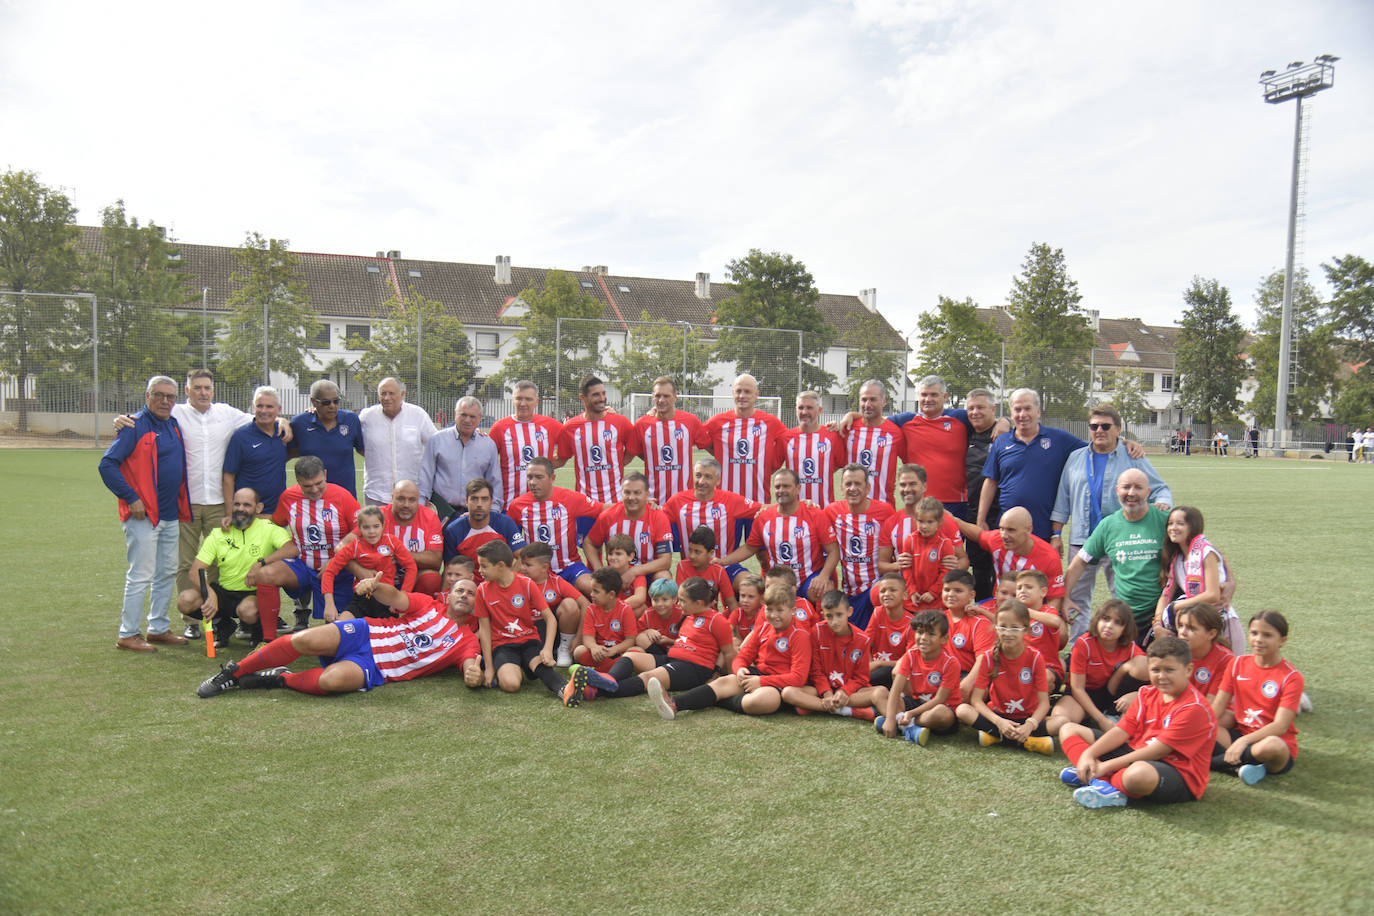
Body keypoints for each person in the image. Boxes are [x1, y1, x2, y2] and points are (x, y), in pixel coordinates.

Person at [112, 369, 290, 639]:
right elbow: (146, 415)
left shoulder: (227, 413)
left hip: (219, 503)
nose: (203, 393)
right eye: (197, 388)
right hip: (185, 503)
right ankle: (191, 621)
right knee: (185, 563)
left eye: (207, 388)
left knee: (220, 561)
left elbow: (263, 416)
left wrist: (284, 420)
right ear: (187, 391)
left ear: (213, 390)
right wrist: (121, 420)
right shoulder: (175, 413)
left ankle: (219, 618)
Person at [195, 576, 484, 697]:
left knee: (330, 681)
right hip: (364, 633)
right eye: (459, 590)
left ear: (476, 603)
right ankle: (232, 674)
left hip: (376, 667)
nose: (464, 595)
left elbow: (470, 665)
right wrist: (375, 585)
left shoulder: (467, 639)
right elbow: (395, 597)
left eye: (471, 593)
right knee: (303, 640)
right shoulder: (428, 604)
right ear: (448, 595)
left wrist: (473, 675)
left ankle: (280, 678)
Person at [1051, 403, 1171, 641]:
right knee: (1077, 597)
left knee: (1124, 597)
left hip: (1120, 540)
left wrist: (1163, 504)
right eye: (1094, 426)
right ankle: (1080, 648)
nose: (1099, 430)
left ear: (1118, 429)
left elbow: (1160, 488)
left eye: (1105, 426)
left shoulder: (1132, 455)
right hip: (1082, 538)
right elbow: (1062, 498)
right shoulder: (1075, 458)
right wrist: (1056, 534)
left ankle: (1128, 643)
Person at [1059, 635, 1216, 809]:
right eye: (1155, 670)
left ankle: (1097, 777)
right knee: (1068, 729)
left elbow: (1158, 751)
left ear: (1188, 670)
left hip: (1176, 770)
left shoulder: (1194, 707)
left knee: (1137, 775)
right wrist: (1089, 754)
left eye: (1169, 670)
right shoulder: (1146, 693)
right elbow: (1121, 731)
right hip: (1136, 753)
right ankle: (1099, 781)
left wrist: (1106, 766)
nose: (1162, 676)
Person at [99, 375, 192, 652]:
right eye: (159, 395)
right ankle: (128, 634)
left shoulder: (173, 424)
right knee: (140, 575)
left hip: (170, 514)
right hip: (144, 516)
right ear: (147, 396)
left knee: (166, 573)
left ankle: (158, 628)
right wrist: (131, 498)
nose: (165, 401)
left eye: (170, 396)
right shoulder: (134, 426)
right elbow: (107, 465)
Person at [979, 388, 1140, 542]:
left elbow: (1095, 447)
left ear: (1038, 411)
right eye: (1017, 409)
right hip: (1007, 529)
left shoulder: (1059, 439)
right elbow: (991, 482)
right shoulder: (1001, 442)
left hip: (1043, 529)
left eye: (1027, 408)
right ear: (1011, 413)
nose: (1022, 414)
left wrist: (1123, 442)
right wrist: (981, 519)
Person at [648, 583, 813, 720]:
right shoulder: (764, 628)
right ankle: (674, 703)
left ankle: (715, 699)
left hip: (780, 684)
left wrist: (761, 682)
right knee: (725, 682)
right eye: (769, 609)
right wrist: (740, 669)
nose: (773, 615)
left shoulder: (800, 636)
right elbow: (742, 656)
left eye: (779, 610)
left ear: (792, 610)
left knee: (759, 700)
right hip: (757, 675)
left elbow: (798, 678)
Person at [566, 576, 735, 703]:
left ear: (698, 603)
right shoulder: (690, 616)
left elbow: (728, 651)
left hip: (693, 669)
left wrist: (726, 676)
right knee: (631, 656)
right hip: (673, 659)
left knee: (648, 678)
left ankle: (597, 691)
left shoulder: (717, 620)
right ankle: (608, 680)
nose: (679, 604)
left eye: (683, 601)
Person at [251, 455, 362, 632]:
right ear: (297, 481)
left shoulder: (342, 496)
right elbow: (276, 521)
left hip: (338, 569)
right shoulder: (289, 497)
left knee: (336, 631)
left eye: (319, 483)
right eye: (308, 486)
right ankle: (267, 638)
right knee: (266, 574)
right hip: (302, 566)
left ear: (325, 474)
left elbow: (361, 529)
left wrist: (337, 557)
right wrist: (247, 519)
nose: (315, 490)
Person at [177, 487, 296, 648]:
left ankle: (258, 631)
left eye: (247, 505)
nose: (241, 509)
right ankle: (223, 624)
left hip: (252, 593)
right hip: (223, 591)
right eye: (237, 504)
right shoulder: (219, 532)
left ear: (258, 508)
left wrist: (262, 562)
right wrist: (210, 593)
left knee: (248, 611)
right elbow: (194, 571)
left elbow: (292, 549)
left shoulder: (268, 528)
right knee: (185, 600)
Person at [1061, 469, 1169, 639]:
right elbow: (1080, 561)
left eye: (1138, 487)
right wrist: (1065, 597)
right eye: (1126, 487)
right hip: (1126, 616)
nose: (1131, 493)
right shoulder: (1108, 525)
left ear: (1148, 492)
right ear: (1117, 490)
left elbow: (1196, 548)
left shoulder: (1166, 520)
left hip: (1162, 613)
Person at [719, 468, 840, 604]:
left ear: (798, 488)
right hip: (777, 580)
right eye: (777, 487)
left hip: (808, 577)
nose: (781, 490)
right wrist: (723, 561)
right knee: (750, 590)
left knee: (823, 590)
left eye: (786, 486)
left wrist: (823, 576)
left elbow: (833, 551)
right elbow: (749, 548)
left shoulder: (815, 514)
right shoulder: (764, 517)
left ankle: (815, 618)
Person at [1211, 610, 1303, 786]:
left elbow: (1281, 726)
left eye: (1267, 635)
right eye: (1254, 633)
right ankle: (1244, 766)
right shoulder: (1237, 664)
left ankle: (1215, 764)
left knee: (1273, 746)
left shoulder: (1291, 677)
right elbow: (1218, 706)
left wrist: (1243, 741)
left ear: (1282, 641)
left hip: (1270, 743)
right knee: (1208, 724)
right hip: (1241, 733)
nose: (1258, 639)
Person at [955, 599, 1053, 755]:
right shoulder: (989, 657)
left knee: (1062, 722)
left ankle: (997, 737)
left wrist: (1030, 725)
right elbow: (976, 700)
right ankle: (1029, 742)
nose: (1008, 633)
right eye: (1003, 627)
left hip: (1027, 717)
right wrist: (999, 721)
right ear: (995, 628)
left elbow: (1044, 704)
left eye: (1014, 628)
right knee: (962, 710)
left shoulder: (1035, 658)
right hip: (998, 716)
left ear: (1025, 630)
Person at [473, 540, 567, 697]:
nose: (480, 571)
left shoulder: (526, 584)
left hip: (528, 640)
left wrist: (547, 649)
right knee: (511, 684)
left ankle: (565, 689)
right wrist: (489, 668)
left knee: (541, 667)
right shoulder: (482, 590)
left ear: (500, 565)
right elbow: (484, 630)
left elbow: (550, 618)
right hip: (503, 645)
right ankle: (513, 668)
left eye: (484, 566)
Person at [780, 591, 886, 720]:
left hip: (850, 693)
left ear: (849, 612)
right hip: (821, 690)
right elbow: (816, 671)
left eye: (839, 615)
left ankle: (816, 707)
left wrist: (844, 691)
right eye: (829, 616)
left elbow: (861, 677)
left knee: (880, 692)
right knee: (788, 692)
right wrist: (827, 693)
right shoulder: (817, 632)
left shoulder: (862, 639)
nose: (835, 621)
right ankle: (849, 711)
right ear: (823, 615)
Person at [504, 457, 603, 595]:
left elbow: (603, 509)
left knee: (596, 590)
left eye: (539, 477)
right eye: (530, 477)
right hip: (535, 570)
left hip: (570, 567)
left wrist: (633, 504)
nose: (533, 482)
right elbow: (507, 537)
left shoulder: (570, 498)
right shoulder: (517, 505)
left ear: (552, 478)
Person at [1045, 599, 1140, 738]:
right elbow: (1077, 688)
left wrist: (1137, 694)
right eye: (1106, 619)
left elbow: (1151, 671)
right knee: (1061, 721)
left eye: (1118, 622)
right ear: (1097, 620)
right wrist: (1101, 720)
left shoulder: (1130, 647)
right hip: (1083, 694)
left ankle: (1112, 714)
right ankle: (1033, 723)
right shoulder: (1084, 643)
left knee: (1142, 663)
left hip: (1111, 695)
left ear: (1125, 628)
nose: (1109, 626)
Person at [1153, 506, 1242, 649]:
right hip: (1194, 628)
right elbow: (1165, 595)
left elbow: (1213, 595)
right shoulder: (1177, 559)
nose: (1173, 528)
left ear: (1193, 526)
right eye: (1170, 523)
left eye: (1180, 524)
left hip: (1221, 622)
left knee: (1230, 663)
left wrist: (1176, 607)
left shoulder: (1206, 552)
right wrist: (1157, 625)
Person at [662, 457, 762, 579]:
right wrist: (647, 503)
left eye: (708, 477)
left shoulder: (730, 500)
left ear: (718, 480)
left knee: (751, 584)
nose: (701, 481)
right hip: (692, 569)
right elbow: (656, 517)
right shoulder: (677, 501)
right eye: (698, 476)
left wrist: (768, 510)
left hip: (726, 567)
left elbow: (763, 509)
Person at [954, 506, 1065, 614]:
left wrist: (1040, 622)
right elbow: (979, 534)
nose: (1004, 535)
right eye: (1002, 528)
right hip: (999, 606)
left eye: (1011, 530)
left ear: (1028, 529)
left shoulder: (1049, 557)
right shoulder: (997, 540)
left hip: (1031, 614)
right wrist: (953, 519)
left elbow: (1054, 600)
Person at [824, 463, 896, 628]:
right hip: (849, 592)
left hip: (876, 586)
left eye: (858, 484)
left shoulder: (885, 511)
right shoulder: (832, 512)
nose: (853, 488)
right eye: (848, 484)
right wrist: (807, 503)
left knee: (881, 598)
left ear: (868, 488)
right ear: (841, 488)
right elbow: (813, 521)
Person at [876, 609, 962, 745]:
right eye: (920, 632)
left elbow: (939, 699)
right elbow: (896, 689)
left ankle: (905, 723)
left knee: (942, 714)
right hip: (916, 702)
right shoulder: (911, 655)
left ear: (944, 639)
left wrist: (910, 714)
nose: (923, 638)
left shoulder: (951, 663)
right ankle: (907, 726)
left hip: (939, 708)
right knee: (881, 695)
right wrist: (890, 719)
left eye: (931, 634)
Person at [321, 505, 417, 622]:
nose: (372, 531)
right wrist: (329, 604)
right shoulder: (354, 546)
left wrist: (403, 595)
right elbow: (329, 572)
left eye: (376, 526)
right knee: (340, 627)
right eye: (366, 527)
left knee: (382, 633)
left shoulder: (392, 542)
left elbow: (411, 566)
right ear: (359, 528)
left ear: (383, 526)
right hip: (361, 599)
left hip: (386, 601)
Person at [703, 373, 786, 504]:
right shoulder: (717, 422)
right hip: (725, 502)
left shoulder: (771, 423)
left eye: (747, 392)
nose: (742, 396)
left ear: (756, 394)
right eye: (738, 391)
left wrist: (769, 467)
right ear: (733, 393)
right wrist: (718, 451)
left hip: (759, 501)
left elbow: (790, 440)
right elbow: (699, 438)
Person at [877, 463, 966, 584]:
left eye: (912, 484)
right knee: (877, 589)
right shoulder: (891, 523)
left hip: (938, 590)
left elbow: (963, 560)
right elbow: (882, 565)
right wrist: (897, 565)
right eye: (903, 485)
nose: (907, 489)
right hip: (906, 589)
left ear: (924, 486)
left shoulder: (944, 520)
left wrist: (956, 566)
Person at [419, 396, 502, 522]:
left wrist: (493, 512)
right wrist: (421, 508)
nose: (467, 420)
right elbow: (425, 477)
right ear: (455, 414)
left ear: (480, 418)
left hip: (475, 513)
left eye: (472, 416)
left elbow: (494, 481)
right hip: (442, 512)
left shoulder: (488, 445)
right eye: (463, 415)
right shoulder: (437, 440)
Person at [556, 375, 637, 504]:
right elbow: (561, 459)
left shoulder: (620, 422)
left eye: (603, 393)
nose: (602, 398)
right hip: (584, 504)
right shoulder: (570, 428)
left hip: (616, 503)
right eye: (596, 395)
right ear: (583, 397)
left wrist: (618, 463)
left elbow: (634, 447)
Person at [358, 377, 437, 505]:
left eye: (391, 393)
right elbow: (356, 441)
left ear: (402, 394)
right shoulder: (367, 417)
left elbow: (435, 444)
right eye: (383, 394)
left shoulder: (418, 415)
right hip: (376, 493)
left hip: (410, 495)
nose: (387, 398)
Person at [583, 472, 673, 581]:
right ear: (621, 493)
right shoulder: (608, 516)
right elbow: (589, 543)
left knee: (664, 577)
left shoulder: (658, 517)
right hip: (617, 576)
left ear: (647, 494)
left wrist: (634, 572)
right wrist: (600, 569)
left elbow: (665, 561)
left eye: (637, 493)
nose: (631, 497)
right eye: (627, 492)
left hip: (648, 573)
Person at [632, 376, 708, 504]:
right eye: (658, 396)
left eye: (666, 396)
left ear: (675, 397)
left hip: (685, 502)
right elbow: (628, 455)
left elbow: (710, 445)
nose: (661, 400)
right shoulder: (642, 424)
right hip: (653, 502)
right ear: (653, 397)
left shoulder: (690, 421)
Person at [489, 380, 563, 503]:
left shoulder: (550, 425)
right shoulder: (499, 428)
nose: (523, 403)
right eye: (519, 398)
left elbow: (573, 440)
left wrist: (549, 465)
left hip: (542, 505)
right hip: (509, 504)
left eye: (528, 399)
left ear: (536, 401)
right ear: (513, 400)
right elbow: (486, 460)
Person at [290, 379, 365, 498]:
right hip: (312, 496)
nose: (332, 406)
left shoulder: (351, 420)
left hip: (344, 496)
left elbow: (363, 450)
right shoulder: (299, 423)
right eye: (326, 402)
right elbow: (288, 453)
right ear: (313, 402)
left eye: (336, 401)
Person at [221, 385, 289, 516]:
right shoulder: (240, 437)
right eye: (259, 406)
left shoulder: (284, 433)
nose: (264, 411)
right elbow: (228, 477)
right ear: (253, 407)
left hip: (277, 513)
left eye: (269, 406)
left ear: (279, 409)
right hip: (248, 514)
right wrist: (230, 513)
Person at [517, 542, 588, 666]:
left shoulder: (556, 582)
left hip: (551, 629)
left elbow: (586, 604)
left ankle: (565, 648)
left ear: (544, 567)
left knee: (570, 604)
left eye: (528, 565)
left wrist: (579, 637)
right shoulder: (516, 581)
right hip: (524, 629)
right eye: (522, 563)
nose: (522, 568)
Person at [441, 478, 527, 578]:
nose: (479, 504)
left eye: (484, 499)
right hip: (469, 585)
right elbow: (449, 568)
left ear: (491, 502)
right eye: (474, 499)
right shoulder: (453, 530)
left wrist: (508, 579)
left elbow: (523, 556)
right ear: (466, 501)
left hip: (500, 584)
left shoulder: (505, 523)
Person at [962, 388, 1001, 599]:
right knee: (979, 570)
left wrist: (1005, 422)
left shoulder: (1004, 435)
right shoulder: (965, 431)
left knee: (1003, 571)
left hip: (1000, 515)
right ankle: (982, 612)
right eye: (971, 408)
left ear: (993, 409)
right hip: (973, 514)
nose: (975, 412)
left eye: (980, 407)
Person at [776, 389, 846, 506]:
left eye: (809, 408)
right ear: (796, 410)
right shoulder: (785, 438)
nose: (804, 412)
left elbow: (841, 463)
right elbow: (772, 467)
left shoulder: (832, 435)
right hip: (794, 509)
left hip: (825, 509)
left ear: (819, 410)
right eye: (801, 408)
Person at [841, 380, 906, 504]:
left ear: (884, 401)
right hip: (851, 508)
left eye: (873, 399)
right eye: (864, 399)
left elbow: (909, 463)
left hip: (884, 508)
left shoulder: (895, 433)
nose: (867, 404)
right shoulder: (848, 429)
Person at [378, 480, 445, 595]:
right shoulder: (378, 515)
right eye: (401, 499)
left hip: (414, 578)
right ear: (392, 498)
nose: (406, 505)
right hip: (382, 575)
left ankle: (418, 606)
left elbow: (435, 560)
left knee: (431, 579)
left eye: (412, 500)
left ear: (418, 500)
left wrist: (400, 554)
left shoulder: (429, 518)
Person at [898, 496, 962, 612]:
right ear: (915, 520)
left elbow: (946, 572)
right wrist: (912, 591)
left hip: (936, 602)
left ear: (939, 522)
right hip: (913, 601)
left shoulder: (945, 543)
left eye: (930, 522)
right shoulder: (910, 540)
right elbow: (906, 568)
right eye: (921, 521)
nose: (924, 526)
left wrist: (933, 592)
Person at [571, 566, 639, 674]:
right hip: (599, 653)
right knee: (579, 651)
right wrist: (594, 647)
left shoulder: (625, 610)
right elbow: (588, 638)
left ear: (611, 594)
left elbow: (630, 641)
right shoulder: (591, 609)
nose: (591, 594)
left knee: (636, 652)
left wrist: (613, 650)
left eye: (596, 591)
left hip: (619, 652)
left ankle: (596, 672)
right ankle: (613, 670)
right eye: (592, 590)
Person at [941, 570, 994, 696]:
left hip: (967, 675)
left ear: (971, 595)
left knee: (971, 691)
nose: (951, 594)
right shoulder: (938, 619)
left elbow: (983, 659)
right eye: (947, 590)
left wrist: (968, 682)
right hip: (941, 673)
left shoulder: (980, 623)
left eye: (958, 591)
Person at [1014, 568, 1066, 694]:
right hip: (1019, 667)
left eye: (1029, 587)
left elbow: (1056, 622)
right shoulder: (1014, 615)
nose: (1023, 591)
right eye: (1019, 588)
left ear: (1043, 592)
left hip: (1047, 667)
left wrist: (1025, 611)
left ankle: (1040, 703)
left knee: (1044, 677)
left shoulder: (1048, 611)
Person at [864, 574, 913, 687]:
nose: (886, 594)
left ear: (905, 595)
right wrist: (870, 664)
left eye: (893, 590)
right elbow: (866, 644)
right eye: (883, 591)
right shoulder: (878, 613)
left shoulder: (911, 623)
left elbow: (910, 660)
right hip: (876, 667)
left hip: (896, 670)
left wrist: (880, 664)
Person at [674, 526, 737, 613]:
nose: (692, 556)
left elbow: (731, 603)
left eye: (697, 552)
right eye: (690, 550)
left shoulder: (718, 571)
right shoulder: (682, 566)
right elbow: (679, 600)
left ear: (711, 553)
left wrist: (734, 621)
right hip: (688, 616)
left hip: (711, 616)